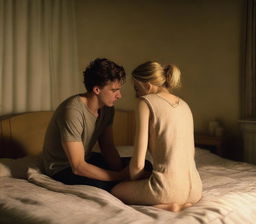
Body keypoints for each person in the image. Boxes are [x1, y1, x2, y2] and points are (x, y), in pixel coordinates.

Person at [111, 61, 202, 212]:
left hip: (167, 190)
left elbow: (137, 165)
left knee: (116, 190)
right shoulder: (185, 105)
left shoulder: (145, 102)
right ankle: (178, 203)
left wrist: (135, 182)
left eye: (136, 89)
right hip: (195, 190)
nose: (136, 94)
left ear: (147, 85)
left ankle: (165, 206)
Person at [42, 58, 130, 192]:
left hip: (86, 159)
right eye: (114, 90)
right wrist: (118, 176)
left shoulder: (108, 108)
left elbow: (108, 147)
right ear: (97, 89)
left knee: (142, 166)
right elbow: (77, 166)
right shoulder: (72, 111)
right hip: (63, 167)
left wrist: (123, 171)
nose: (119, 96)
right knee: (104, 187)